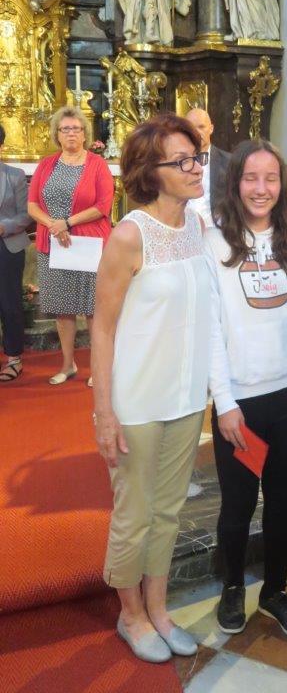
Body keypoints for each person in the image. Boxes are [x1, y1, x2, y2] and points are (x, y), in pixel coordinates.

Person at [91, 114, 211, 663]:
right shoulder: (129, 235)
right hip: (137, 401)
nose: (196, 167)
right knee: (134, 513)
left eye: (196, 156)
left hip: (185, 398)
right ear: (149, 171)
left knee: (168, 512)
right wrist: (104, 413)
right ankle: (130, 614)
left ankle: (158, 609)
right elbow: (103, 327)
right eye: (181, 161)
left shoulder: (197, 227)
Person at [206, 139, 287, 639]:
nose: (262, 188)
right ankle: (233, 586)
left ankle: (275, 591)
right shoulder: (215, 244)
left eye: (271, 178)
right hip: (243, 405)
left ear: (283, 184)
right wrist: (225, 402)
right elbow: (211, 331)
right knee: (238, 504)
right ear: (235, 182)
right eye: (251, 178)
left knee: (282, 500)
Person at [27, 106, 114, 386]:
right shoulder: (46, 165)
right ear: (57, 134)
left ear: (85, 134)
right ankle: (68, 365)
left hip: (88, 245)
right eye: (65, 129)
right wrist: (54, 225)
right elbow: (32, 205)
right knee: (62, 308)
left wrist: (67, 222)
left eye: (76, 128)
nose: (71, 134)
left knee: (92, 309)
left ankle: (97, 368)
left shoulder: (97, 165)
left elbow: (103, 206)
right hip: (54, 246)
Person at [0, 124, 32, 382]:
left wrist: (3, 227)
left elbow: (26, 215)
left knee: (9, 303)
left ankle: (14, 358)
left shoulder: (15, 176)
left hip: (7, 246)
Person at [185, 108, 231, 227]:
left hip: (218, 230)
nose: (196, 132)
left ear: (211, 128)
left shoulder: (229, 162)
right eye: (191, 128)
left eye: (201, 127)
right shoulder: (177, 163)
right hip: (184, 229)